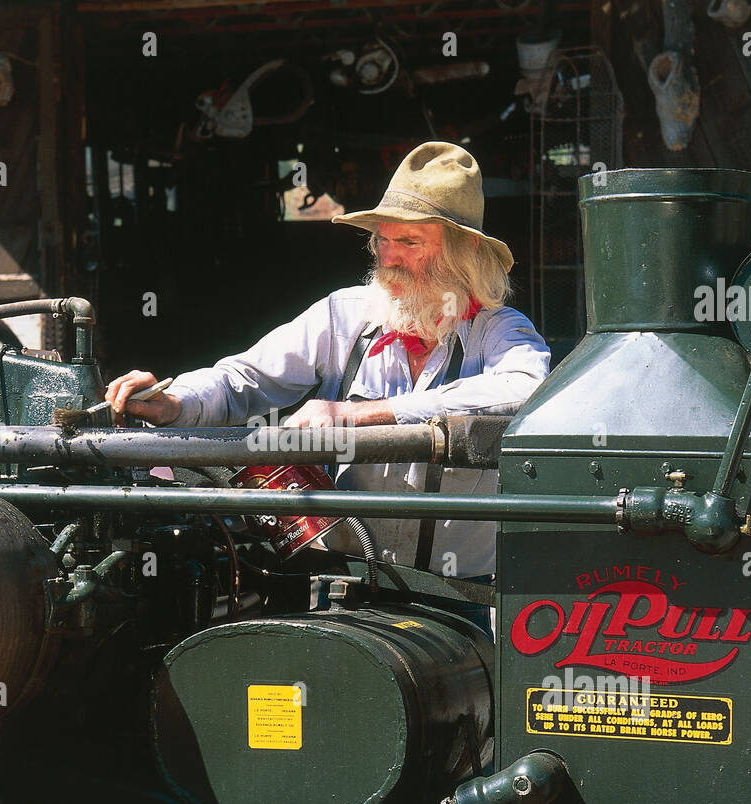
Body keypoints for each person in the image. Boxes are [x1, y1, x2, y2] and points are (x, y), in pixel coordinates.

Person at [105, 141, 550, 633]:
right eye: (383, 241)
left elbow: (526, 389)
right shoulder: (346, 313)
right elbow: (244, 378)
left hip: (460, 596)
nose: (389, 258)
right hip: (345, 588)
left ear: (463, 252)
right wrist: (174, 402)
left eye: (410, 242)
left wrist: (360, 414)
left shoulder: (497, 329)